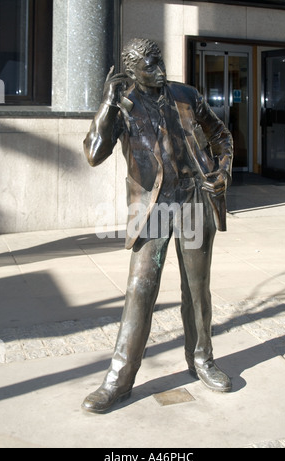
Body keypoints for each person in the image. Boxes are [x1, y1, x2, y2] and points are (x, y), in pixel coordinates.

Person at [82, 38, 234, 414]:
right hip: (152, 206)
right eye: (149, 64)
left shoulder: (186, 95)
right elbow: (94, 153)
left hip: (194, 199)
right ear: (132, 70)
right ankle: (119, 378)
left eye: (160, 60)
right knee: (139, 290)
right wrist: (106, 105)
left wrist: (224, 171)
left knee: (198, 288)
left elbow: (222, 135)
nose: (159, 69)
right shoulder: (123, 104)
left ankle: (202, 360)